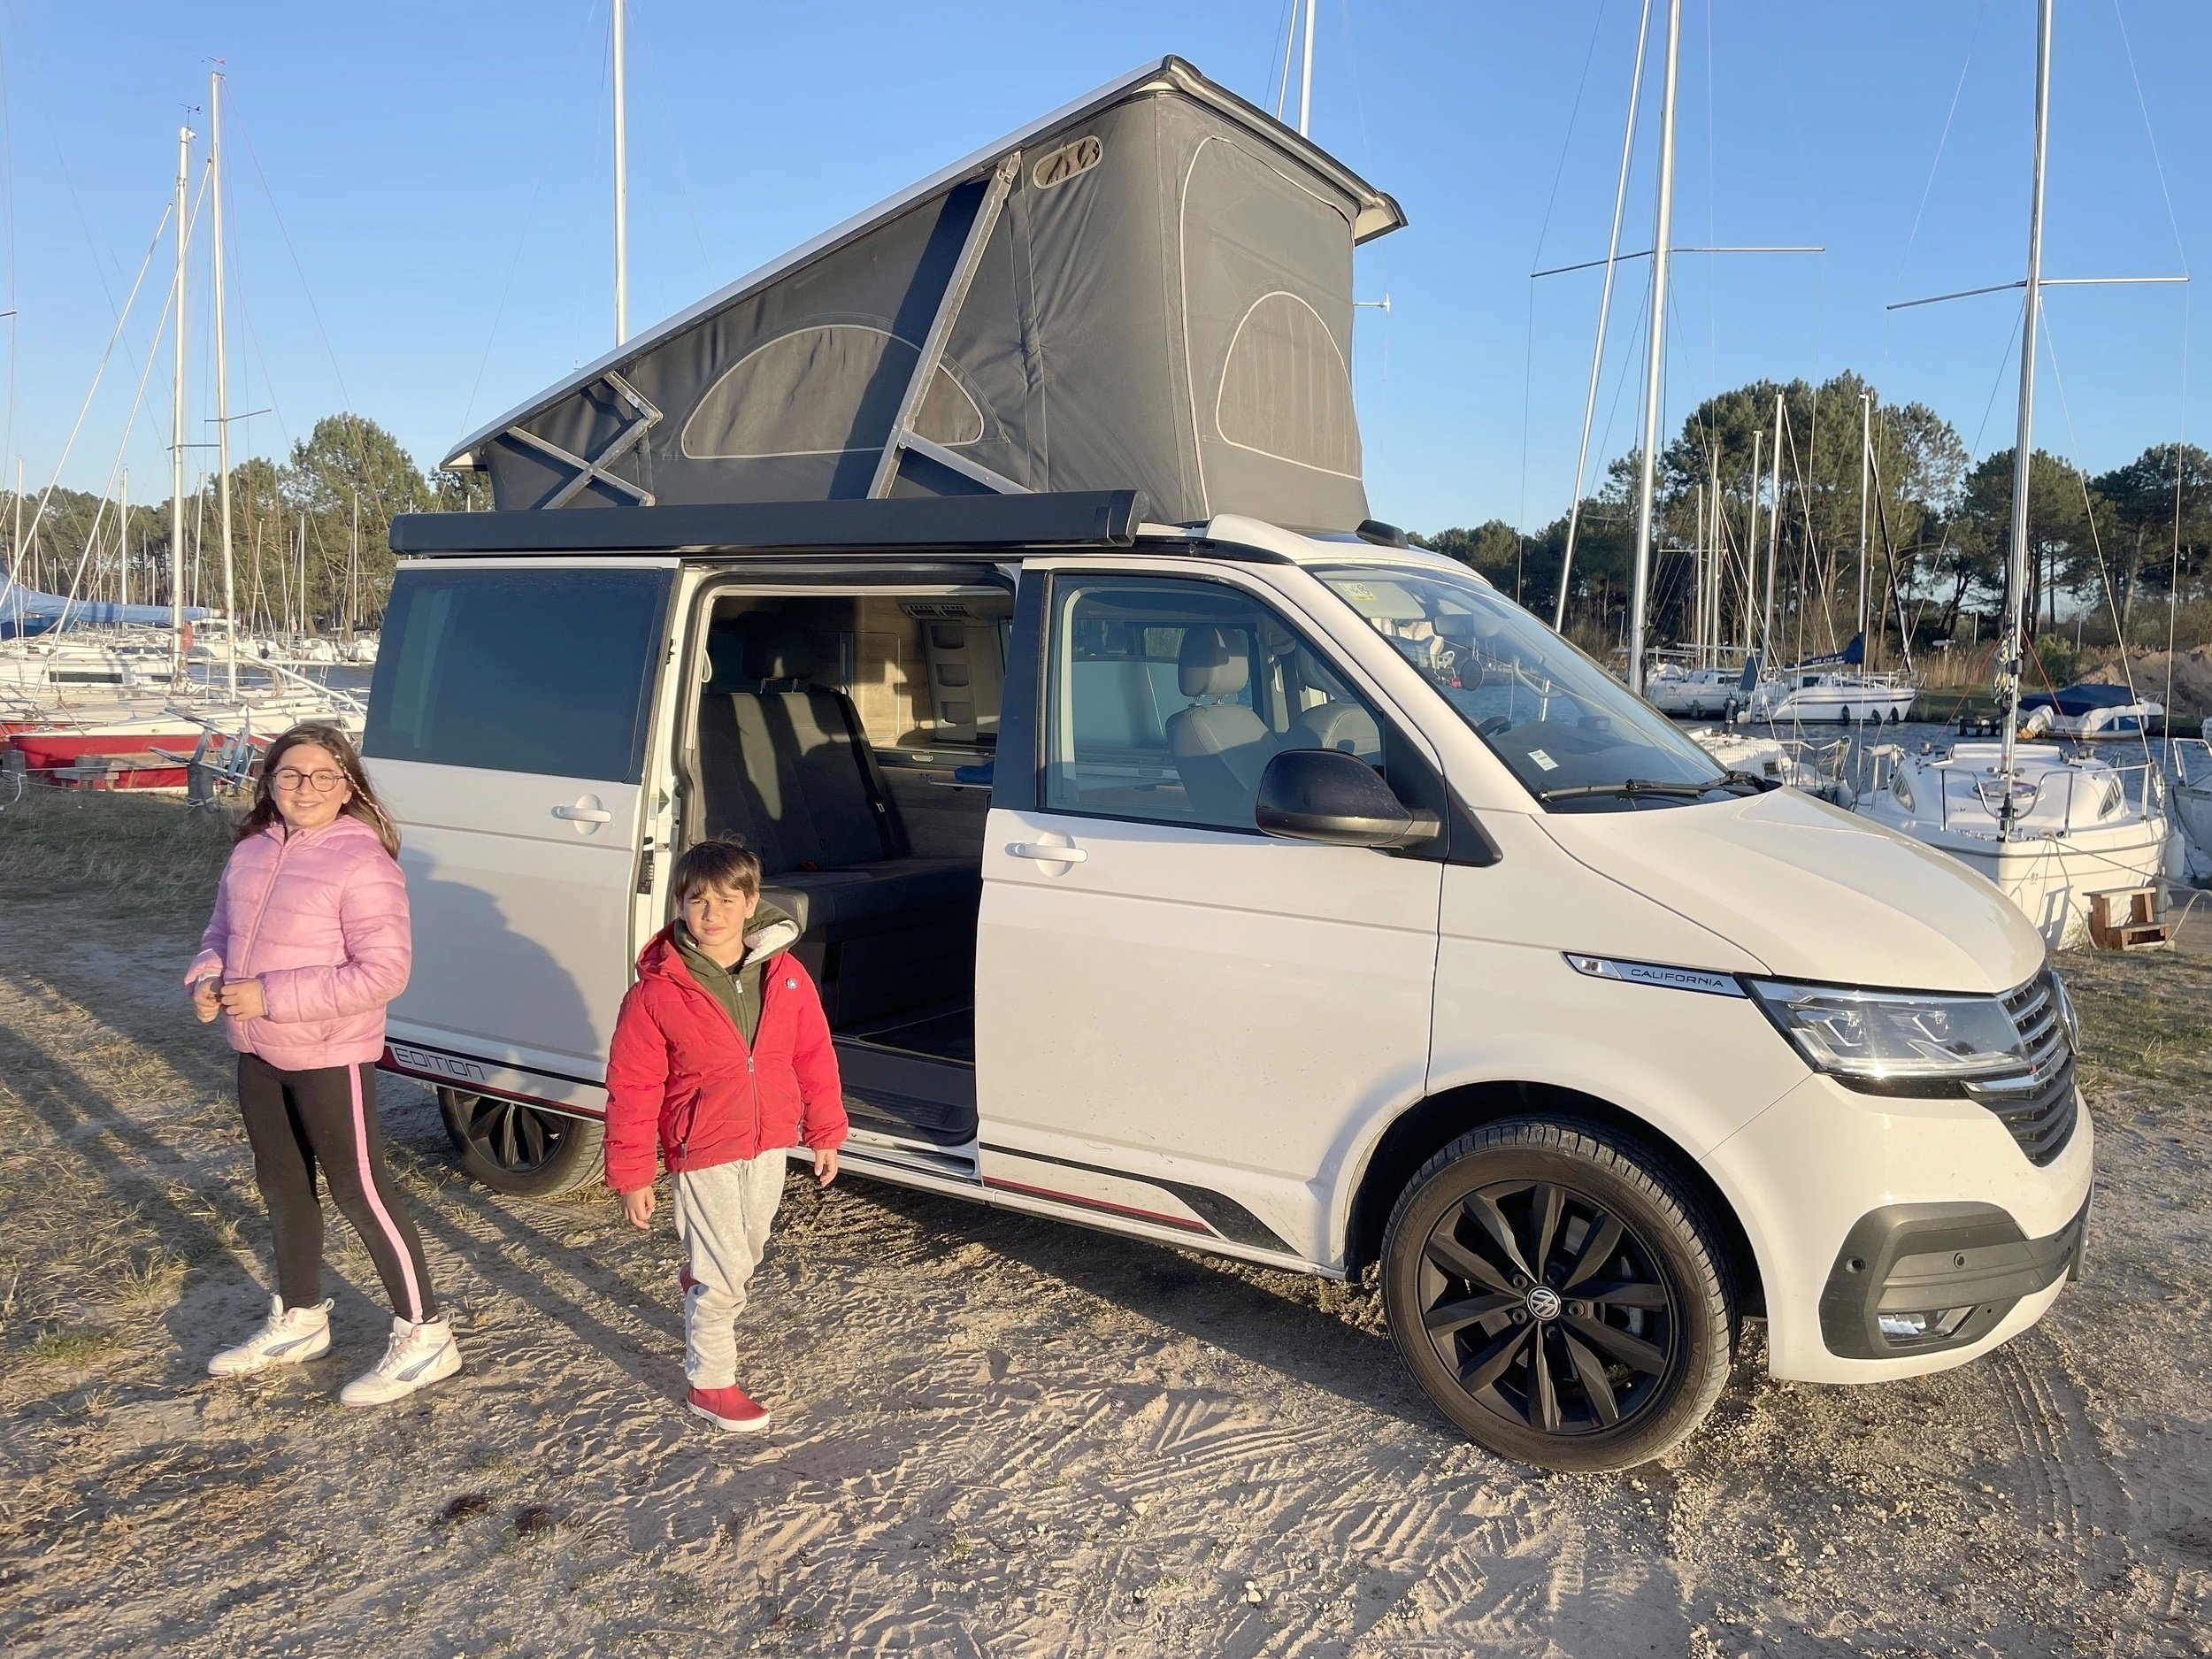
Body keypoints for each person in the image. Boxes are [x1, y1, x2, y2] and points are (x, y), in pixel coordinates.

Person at [186, 722, 459, 1405]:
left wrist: (271, 995)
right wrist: (207, 976)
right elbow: (220, 932)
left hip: (330, 1054)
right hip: (256, 1050)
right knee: (281, 1186)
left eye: (322, 776)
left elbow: (384, 972)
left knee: (360, 1190)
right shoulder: (250, 849)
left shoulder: (364, 861)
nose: (304, 788)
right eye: (290, 774)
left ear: (348, 787)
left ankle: (426, 1335)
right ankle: (301, 1318)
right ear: (269, 781)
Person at [605, 839, 846, 1433]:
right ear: (680, 904)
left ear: (752, 903)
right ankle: (709, 1382)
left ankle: (705, 1277)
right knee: (725, 1272)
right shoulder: (656, 992)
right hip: (703, 1146)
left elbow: (813, 1055)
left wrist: (824, 1129)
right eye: (698, 901)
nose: (712, 913)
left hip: (769, 1139)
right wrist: (633, 1174)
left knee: (748, 1248)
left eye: (727, 900)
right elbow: (632, 1087)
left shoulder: (786, 976)